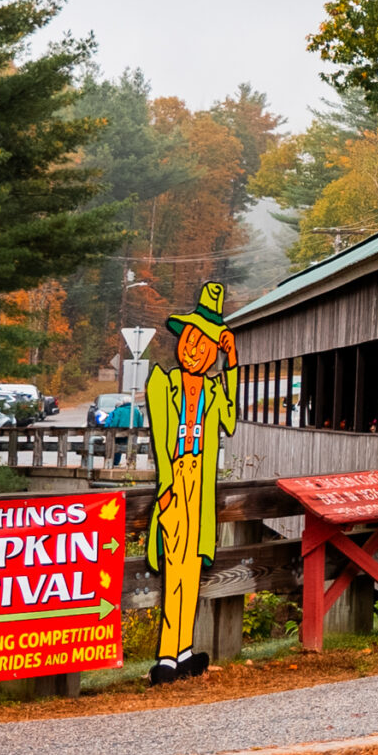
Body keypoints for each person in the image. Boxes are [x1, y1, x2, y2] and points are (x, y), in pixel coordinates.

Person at [147, 280, 237, 685]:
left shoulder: (215, 391)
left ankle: (183, 651)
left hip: (201, 482)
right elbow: (164, 438)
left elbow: (230, 421)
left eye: (205, 345)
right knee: (173, 566)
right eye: (189, 340)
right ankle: (167, 655)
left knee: (192, 567)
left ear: (215, 352)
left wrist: (233, 367)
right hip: (176, 479)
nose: (194, 350)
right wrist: (166, 488)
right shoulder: (161, 384)